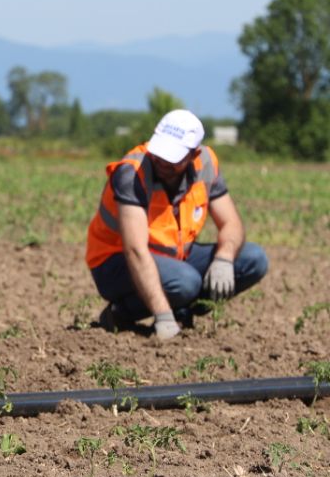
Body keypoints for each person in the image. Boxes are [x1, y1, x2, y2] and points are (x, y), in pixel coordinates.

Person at [86, 109, 269, 340]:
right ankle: (122, 313)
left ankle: (183, 310)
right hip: (115, 263)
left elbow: (231, 222)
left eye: (173, 159)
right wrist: (162, 317)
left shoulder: (206, 163)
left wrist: (224, 258)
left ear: (194, 154)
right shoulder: (132, 173)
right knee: (185, 282)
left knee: (253, 259)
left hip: (174, 259)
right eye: (160, 154)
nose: (163, 162)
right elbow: (135, 250)